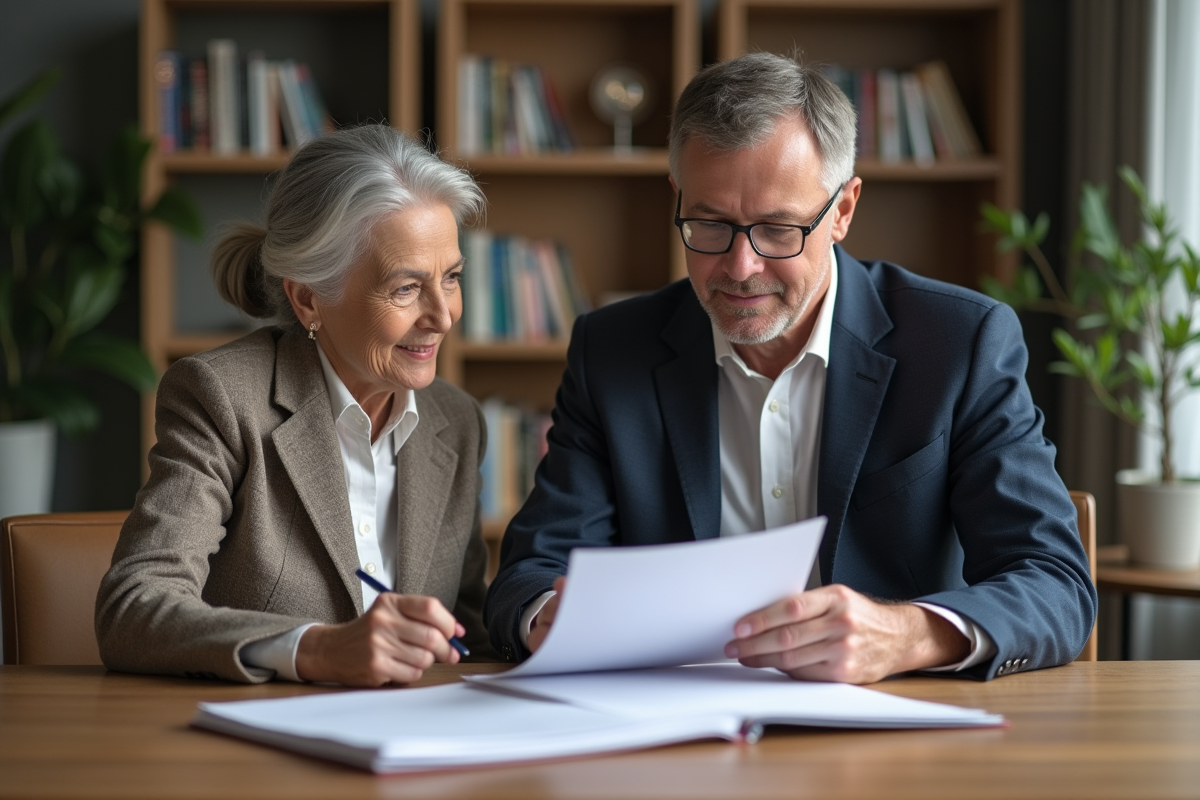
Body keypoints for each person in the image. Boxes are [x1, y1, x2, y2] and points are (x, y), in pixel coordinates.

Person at [484, 53, 1097, 683]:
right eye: (710, 224)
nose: (741, 267)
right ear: (678, 199)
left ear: (843, 210)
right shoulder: (612, 349)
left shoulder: (959, 343)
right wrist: (553, 615)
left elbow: (1054, 583)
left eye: (778, 229)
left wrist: (908, 635)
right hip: (674, 730)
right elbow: (527, 575)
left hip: (894, 734)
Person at [96, 125, 491, 686]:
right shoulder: (222, 397)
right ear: (308, 297)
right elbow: (133, 608)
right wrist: (317, 650)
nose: (443, 315)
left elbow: (466, 635)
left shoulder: (458, 421)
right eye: (406, 288)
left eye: (450, 279)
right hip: (256, 755)